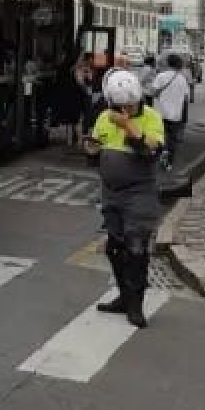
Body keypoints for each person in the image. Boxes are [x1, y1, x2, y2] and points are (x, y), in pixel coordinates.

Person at [84, 68, 165, 327]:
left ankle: (135, 305)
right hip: (111, 193)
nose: (124, 111)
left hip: (139, 193)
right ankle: (123, 295)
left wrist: (129, 126)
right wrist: (91, 148)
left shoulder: (151, 118)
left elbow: (151, 152)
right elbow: (94, 152)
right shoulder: (103, 118)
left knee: (136, 248)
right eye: (119, 107)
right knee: (114, 247)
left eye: (129, 106)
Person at [152, 53, 191, 170]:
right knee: (172, 140)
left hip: (160, 112)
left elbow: (153, 92)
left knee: (158, 136)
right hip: (175, 115)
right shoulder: (182, 79)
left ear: (168, 63)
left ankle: (158, 158)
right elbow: (186, 98)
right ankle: (168, 163)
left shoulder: (161, 76)